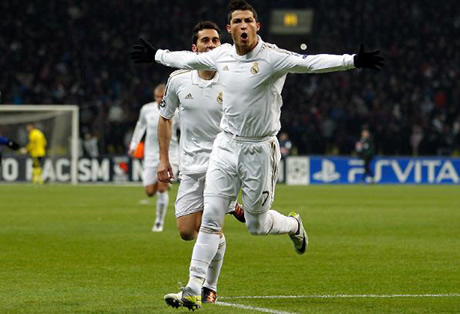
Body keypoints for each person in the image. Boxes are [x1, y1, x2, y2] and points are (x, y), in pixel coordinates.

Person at [132, 0, 384, 309]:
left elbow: (311, 62)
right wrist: (156, 55)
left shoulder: (272, 58)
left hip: (259, 150)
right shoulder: (222, 55)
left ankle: (294, 226)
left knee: (256, 225)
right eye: (237, 21)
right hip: (225, 146)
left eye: (248, 20)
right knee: (210, 219)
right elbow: (187, 58)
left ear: (257, 26)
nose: (242, 26)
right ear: (230, 28)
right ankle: (193, 287)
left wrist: (353, 60)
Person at [157, 21, 245, 306]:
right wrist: (163, 159)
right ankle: (235, 208)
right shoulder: (179, 79)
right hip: (191, 166)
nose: (211, 45)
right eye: (206, 41)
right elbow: (166, 117)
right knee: (186, 232)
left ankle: (206, 287)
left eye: (216, 41)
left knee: (210, 226)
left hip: (224, 164)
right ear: (194, 49)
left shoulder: (233, 78)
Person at [128, 83, 180, 232]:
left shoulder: (177, 112)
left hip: (171, 155)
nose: (159, 99)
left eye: (161, 96)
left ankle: (159, 222)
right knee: (150, 191)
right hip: (150, 155)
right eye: (156, 96)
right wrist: (133, 145)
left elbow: (186, 130)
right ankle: (165, 185)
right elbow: (140, 126)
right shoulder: (146, 109)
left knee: (161, 188)